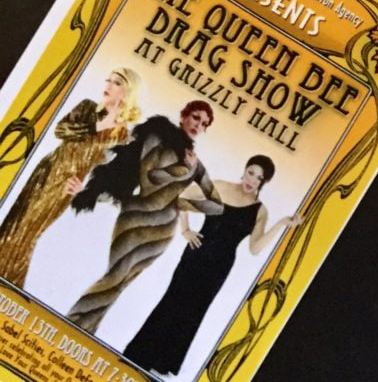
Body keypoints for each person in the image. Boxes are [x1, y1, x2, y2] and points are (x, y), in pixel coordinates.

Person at [124, 155, 302, 376]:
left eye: (259, 178)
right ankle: (140, 355)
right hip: (195, 256)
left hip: (220, 267)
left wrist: (282, 224)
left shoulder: (260, 211)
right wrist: (186, 230)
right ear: (245, 170)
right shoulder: (219, 186)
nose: (252, 180)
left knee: (194, 311)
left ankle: (162, 365)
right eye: (251, 173)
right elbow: (182, 198)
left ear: (263, 183)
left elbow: (255, 248)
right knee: (172, 301)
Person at [65, 100, 222, 334]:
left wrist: (181, 203)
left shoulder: (195, 163)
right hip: (135, 220)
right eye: (196, 118)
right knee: (114, 276)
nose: (198, 125)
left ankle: (84, 331)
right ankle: (70, 322)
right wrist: (181, 169)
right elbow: (151, 179)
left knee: (121, 284)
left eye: (204, 124)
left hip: (162, 232)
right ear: (183, 115)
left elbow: (217, 207)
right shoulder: (157, 137)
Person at [0, 67, 142, 288]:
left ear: (128, 91)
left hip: (66, 187)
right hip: (46, 172)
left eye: (116, 82)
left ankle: (9, 282)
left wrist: (84, 191)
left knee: (29, 234)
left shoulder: (124, 137)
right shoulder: (87, 108)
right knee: (15, 223)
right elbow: (60, 130)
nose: (108, 85)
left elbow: (118, 185)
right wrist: (97, 126)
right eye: (108, 79)